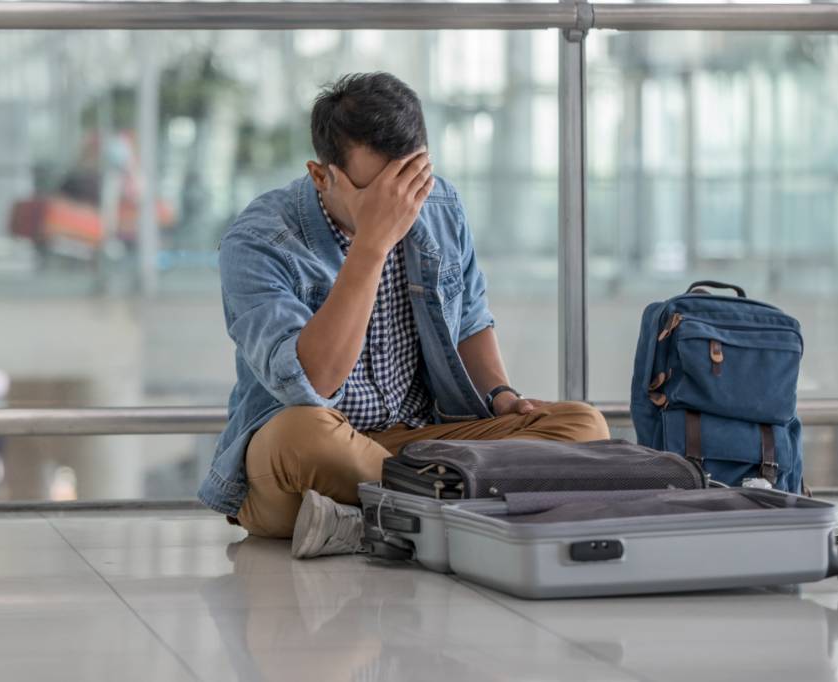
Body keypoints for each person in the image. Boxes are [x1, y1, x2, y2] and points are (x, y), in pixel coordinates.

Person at [199, 72, 610, 559]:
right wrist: (371, 246)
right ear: (321, 175)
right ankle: (461, 513)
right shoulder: (259, 240)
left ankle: (374, 520)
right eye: (379, 191)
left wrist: (500, 394)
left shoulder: (440, 204)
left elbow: (471, 319)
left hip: (422, 445)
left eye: (413, 180)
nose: (402, 203)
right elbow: (315, 381)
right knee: (302, 435)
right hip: (320, 453)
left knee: (583, 426)